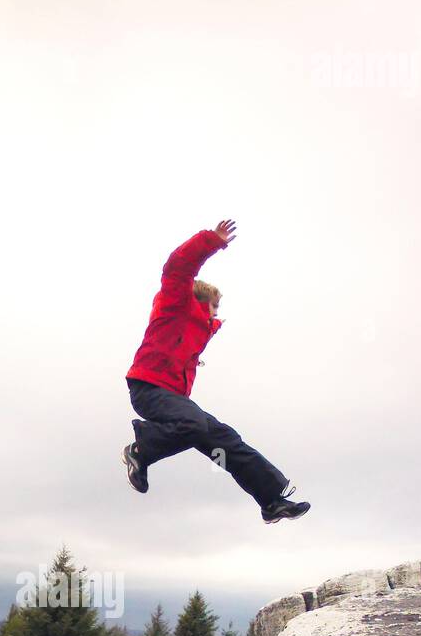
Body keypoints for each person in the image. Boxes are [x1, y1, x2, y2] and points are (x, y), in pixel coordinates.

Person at [122, 219, 310, 523]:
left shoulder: (202, 328)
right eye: (214, 308)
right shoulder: (174, 303)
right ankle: (140, 450)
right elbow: (177, 267)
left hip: (174, 401)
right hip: (148, 389)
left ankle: (271, 500)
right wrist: (212, 240)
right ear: (201, 301)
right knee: (194, 424)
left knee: (225, 442)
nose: (216, 316)